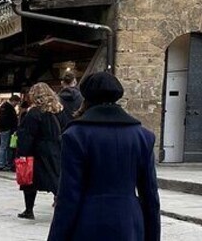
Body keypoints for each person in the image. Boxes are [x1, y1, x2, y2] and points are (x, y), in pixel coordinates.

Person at [48, 72, 160, 241]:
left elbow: (68, 196)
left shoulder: (75, 135)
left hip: (88, 220)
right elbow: (151, 196)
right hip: (130, 221)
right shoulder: (142, 136)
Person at [16, 83, 63, 220]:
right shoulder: (56, 111)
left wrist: (22, 153)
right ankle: (64, 205)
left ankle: (29, 209)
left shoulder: (34, 113)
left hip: (37, 152)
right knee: (55, 179)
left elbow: (27, 135)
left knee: (29, 181)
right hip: (54, 149)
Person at [0, 95, 20, 171]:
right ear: (13, 100)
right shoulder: (8, 107)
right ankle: (4, 163)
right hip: (7, 129)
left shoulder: (3, 106)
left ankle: (3, 163)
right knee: (5, 146)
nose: (16, 105)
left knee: (4, 146)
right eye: (16, 103)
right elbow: (10, 119)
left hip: (4, 129)